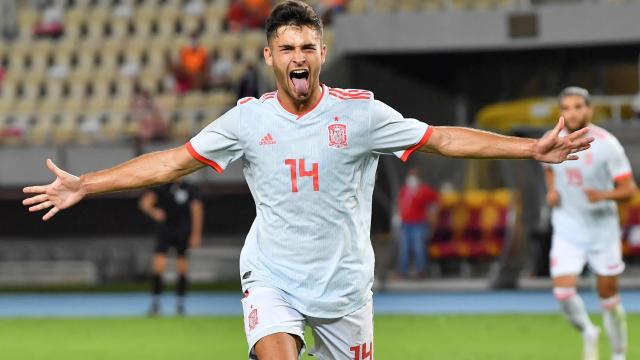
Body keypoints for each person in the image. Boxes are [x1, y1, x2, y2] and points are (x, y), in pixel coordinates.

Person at [23, 2, 593, 359]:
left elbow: (442, 137)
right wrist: (86, 185)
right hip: (273, 273)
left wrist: (529, 149)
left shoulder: (362, 114)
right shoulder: (247, 119)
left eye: (307, 47)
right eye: (287, 48)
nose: (298, 56)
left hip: (345, 285)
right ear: (270, 55)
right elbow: (172, 160)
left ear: (322, 52)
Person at [544, 87, 636, 360]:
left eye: (577, 107)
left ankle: (618, 354)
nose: (571, 112)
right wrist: (551, 191)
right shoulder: (551, 140)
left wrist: (603, 195)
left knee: (608, 298)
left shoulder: (608, 145)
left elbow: (629, 190)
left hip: (602, 231)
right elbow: (548, 168)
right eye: (566, 108)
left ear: (589, 110)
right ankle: (587, 330)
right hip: (567, 228)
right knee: (562, 292)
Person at [139, 180, 203, 316]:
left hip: (183, 232)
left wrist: (196, 234)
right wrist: (153, 211)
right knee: (158, 266)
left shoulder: (189, 188)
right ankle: (155, 303)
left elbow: (197, 211)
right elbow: (144, 203)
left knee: (182, 268)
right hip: (165, 231)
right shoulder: (162, 186)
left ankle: (180, 304)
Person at [396, 168, 439, 279]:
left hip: (419, 224)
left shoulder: (424, 190)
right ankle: (403, 272)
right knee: (404, 249)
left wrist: (432, 216)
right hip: (406, 223)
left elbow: (435, 201)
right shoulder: (405, 190)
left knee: (418, 248)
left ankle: (421, 271)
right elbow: (400, 204)